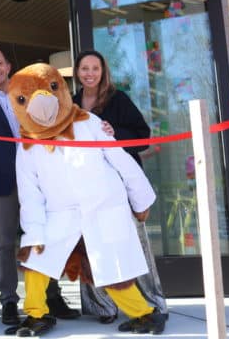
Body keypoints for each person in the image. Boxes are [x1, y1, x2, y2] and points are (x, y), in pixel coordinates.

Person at [0, 49, 81, 326]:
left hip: (40, 177)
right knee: (5, 242)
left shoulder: (30, 91)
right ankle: (8, 300)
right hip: (1, 179)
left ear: (8, 65)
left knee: (45, 236)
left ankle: (51, 296)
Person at [71, 50, 168, 331]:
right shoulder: (72, 103)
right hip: (88, 189)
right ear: (77, 72)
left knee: (135, 247)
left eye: (95, 68)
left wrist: (116, 133)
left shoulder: (118, 100)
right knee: (91, 247)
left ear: (103, 72)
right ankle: (102, 306)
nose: (89, 73)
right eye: (84, 68)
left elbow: (143, 136)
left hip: (120, 185)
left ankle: (153, 304)